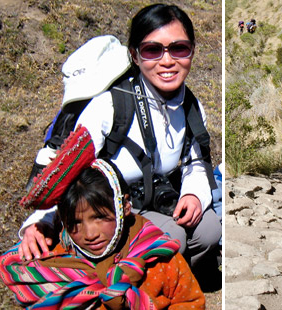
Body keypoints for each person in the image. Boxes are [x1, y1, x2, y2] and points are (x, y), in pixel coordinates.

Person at [17, 4, 221, 281]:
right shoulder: (110, 106)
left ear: (192, 51)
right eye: (152, 50)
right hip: (116, 207)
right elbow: (66, 169)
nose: (167, 60)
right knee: (171, 238)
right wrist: (38, 222)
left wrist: (194, 194)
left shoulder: (191, 106)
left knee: (210, 230)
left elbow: (196, 160)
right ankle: (142, 288)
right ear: (135, 56)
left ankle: (182, 280)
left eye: (179, 48)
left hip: (163, 194)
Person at [0, 129, 204, 309]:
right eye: (75, 223)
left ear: (125, 206)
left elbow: (190, 302)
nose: (90, 234)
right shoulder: (51, 263)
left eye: (100, 217)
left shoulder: (159, 257)